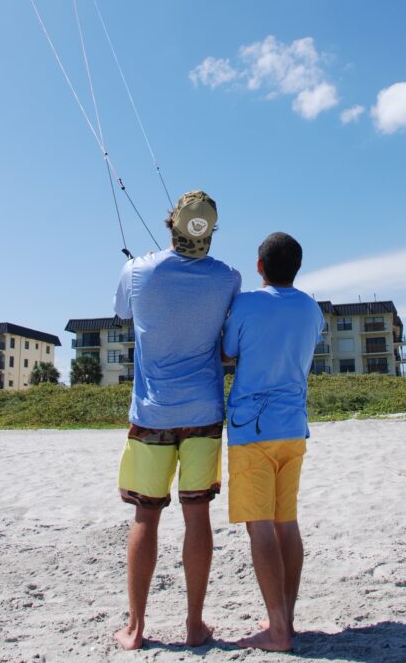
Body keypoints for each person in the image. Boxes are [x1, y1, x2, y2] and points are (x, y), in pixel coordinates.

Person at [113, 190, 241, 651]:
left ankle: (137, 627)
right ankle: (194, 625)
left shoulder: (137, 270)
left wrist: (142, 268)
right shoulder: (229, 278)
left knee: (145, 517)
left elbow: (123, 314)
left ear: (172, 223)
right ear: (210, 231)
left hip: (152, 414)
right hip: (204, 412)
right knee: (197, 517)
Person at [221, 231, 324, 651]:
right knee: (287, 523)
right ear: (297, 268)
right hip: (294, 428)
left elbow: (228, 352)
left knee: (259, 526)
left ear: (259, 266)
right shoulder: (312, 309)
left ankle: (277, 629)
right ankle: (287, 617)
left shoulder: (246, 303)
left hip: (251, 431)